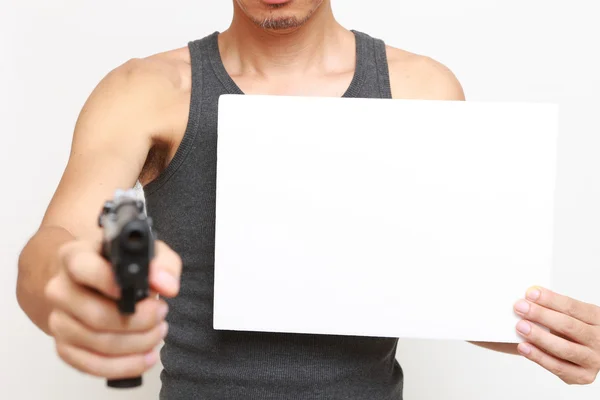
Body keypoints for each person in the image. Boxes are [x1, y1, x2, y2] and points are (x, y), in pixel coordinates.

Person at [16, 0, 600, 398]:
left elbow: (443, 289)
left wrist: (556, 330)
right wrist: (64, 289)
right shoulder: (145, 91)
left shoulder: (422, 89)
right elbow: (56, 242)